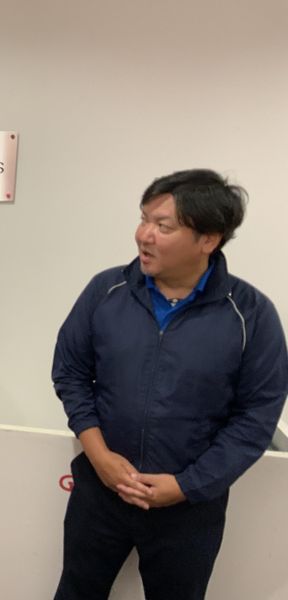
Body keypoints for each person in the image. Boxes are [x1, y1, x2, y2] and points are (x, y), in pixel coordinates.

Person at [51, 168, 288, 599]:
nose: (144, 235)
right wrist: (100, 456)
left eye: (163, 226)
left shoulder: (251, 315)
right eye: (144, 219)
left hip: (189, 509)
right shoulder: (107, 290)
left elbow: (256, 418)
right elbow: (70, 372)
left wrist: (186, 486)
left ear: (208, 239)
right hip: (100, 493)